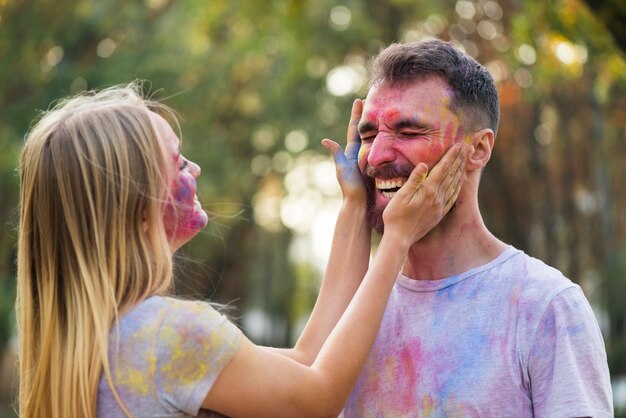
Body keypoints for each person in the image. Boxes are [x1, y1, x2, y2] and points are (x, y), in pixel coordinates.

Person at [16, 82, 469, 418]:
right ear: (134, 204)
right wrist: (396, 239)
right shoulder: (167, 336)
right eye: (176, 162)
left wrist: (355, 206)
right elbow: (318, 398)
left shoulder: (98, 336)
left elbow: (308, 359)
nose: (193, 168)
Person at [337, 39, 614, 417]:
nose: (377, 155)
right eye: (368, 135)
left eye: (409, 132)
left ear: (478, 150)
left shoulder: (545, 306)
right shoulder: (351, 307)